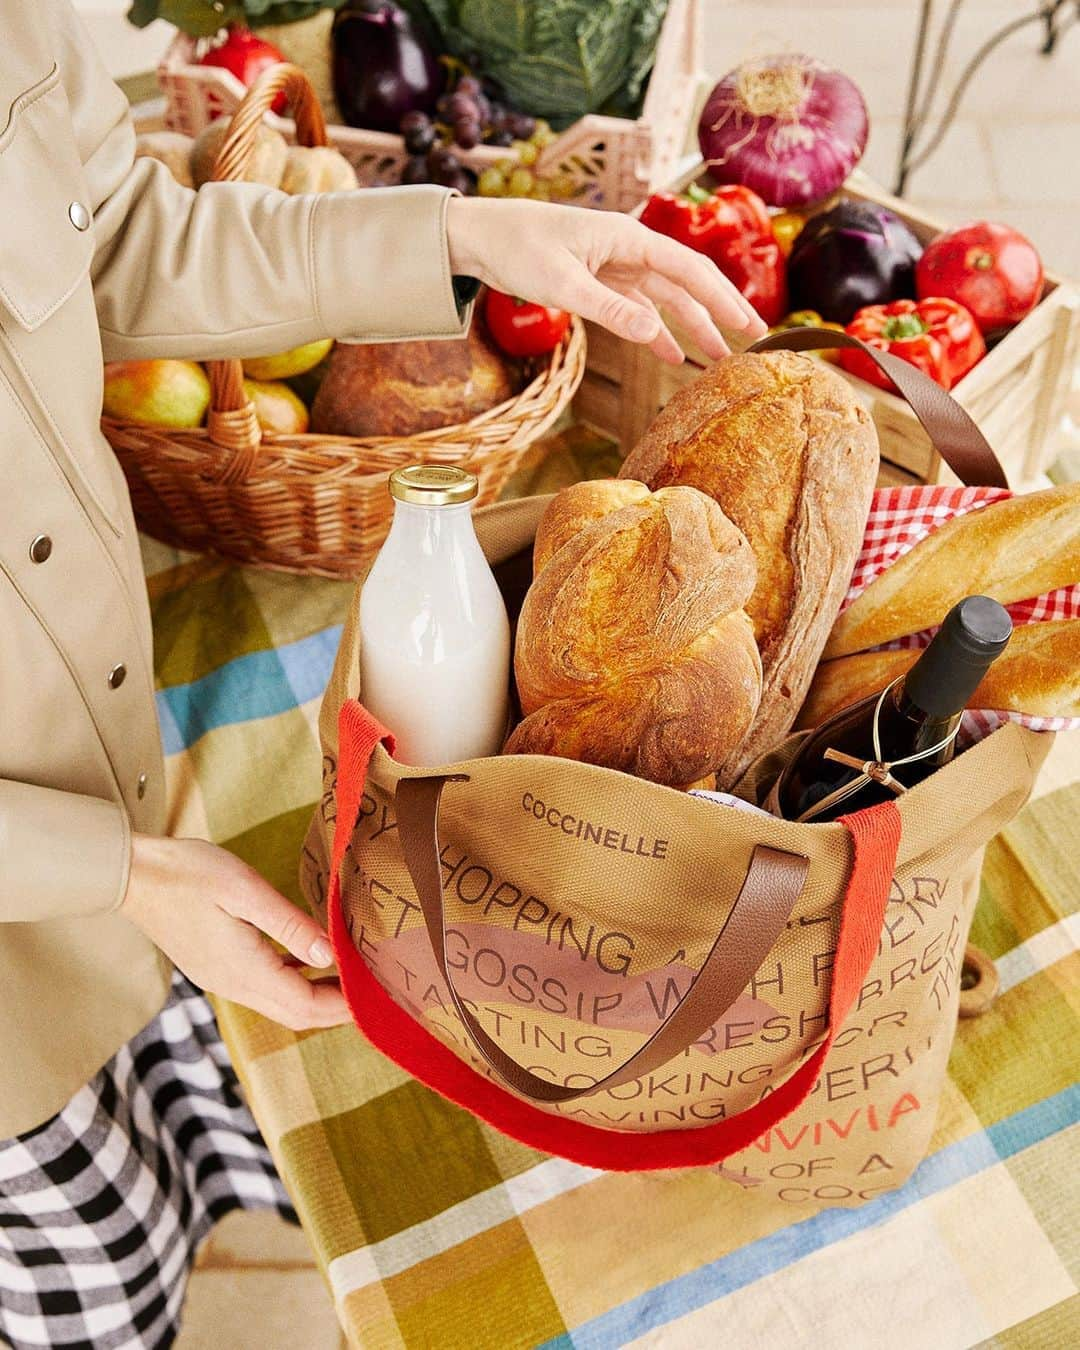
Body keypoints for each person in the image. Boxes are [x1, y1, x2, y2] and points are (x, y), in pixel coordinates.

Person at [0, 3, 765, 1345]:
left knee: (236, 1134)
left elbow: (114, 235)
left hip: (119, 773)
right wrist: (120, 873)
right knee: (101, 1283)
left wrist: (462, 236)